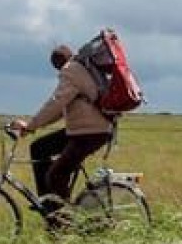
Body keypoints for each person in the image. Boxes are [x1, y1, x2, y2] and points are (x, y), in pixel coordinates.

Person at [11, 43, 114, 230]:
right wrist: (33, 127)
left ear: (58, 63)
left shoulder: (71, 71)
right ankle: (49, 206)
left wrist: (30, 125)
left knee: (56, 174)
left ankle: (64, 224)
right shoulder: (80, 68)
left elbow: (56, 103)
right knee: (39, 147)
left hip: (89, 132)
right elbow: (60, 110)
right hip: (85, 130)